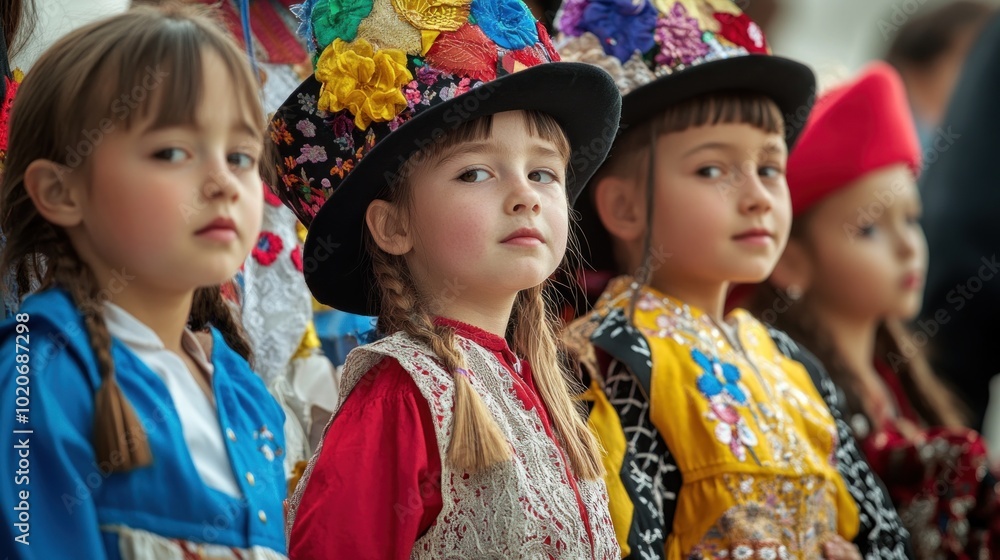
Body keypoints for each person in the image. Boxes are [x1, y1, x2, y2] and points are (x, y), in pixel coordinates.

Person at [269, 0, 623, 557]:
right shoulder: (400, 397)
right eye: (474, 173)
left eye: (542, 172)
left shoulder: (538, 386)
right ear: (393, 225)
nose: (525, 196)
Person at [555, 0, 906, 557]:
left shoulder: (793, 364)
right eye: (713, 169)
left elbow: (883, 534)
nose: (757, 196)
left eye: (769, 168)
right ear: (623, 206)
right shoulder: (608, 359)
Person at [0, 6, 287, 558]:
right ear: (61, 191)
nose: (224, 182)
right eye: (172, 152)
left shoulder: (246, 394)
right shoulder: (42, 377)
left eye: (240, 155)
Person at [744, 61, 1000, 559]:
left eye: (912, 219)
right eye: (869, 228)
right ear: (790, 259)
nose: (909, 248)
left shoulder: (898, 381)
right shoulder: (791, 395)